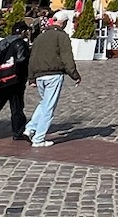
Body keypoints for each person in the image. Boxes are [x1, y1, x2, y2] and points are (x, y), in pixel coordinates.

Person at [24, 12, 80, 147]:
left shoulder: (41, 36)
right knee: (49, 106)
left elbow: (32, 57)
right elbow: (67, 57)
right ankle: (39, 139)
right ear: (64, 23)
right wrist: (75, 75)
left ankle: (30, 128)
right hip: (54, 74)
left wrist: (31, 77)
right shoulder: (61, 36)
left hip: (39, 75)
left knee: (44, 103)